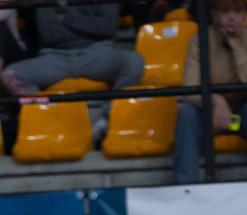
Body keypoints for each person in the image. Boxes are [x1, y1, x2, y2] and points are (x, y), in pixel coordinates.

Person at [0, 1, 142, 140]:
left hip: (97, 52)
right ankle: (47, 117)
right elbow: (49, 34)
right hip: (54, 56)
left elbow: (106, 28)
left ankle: (108, 119)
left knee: (133, 62)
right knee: (11, 74)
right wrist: (87, 25)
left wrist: (64, 19)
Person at [174, 0, 247, 183]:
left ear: (245, 14)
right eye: (224, 11)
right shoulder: (200, 39)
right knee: (187, 114)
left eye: (237, 11)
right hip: (211, 116)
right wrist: (215, 101)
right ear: (215, 15)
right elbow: (188, 89)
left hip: (241, 119)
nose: (231, 17)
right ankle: (185, 187)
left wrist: (237, 48)